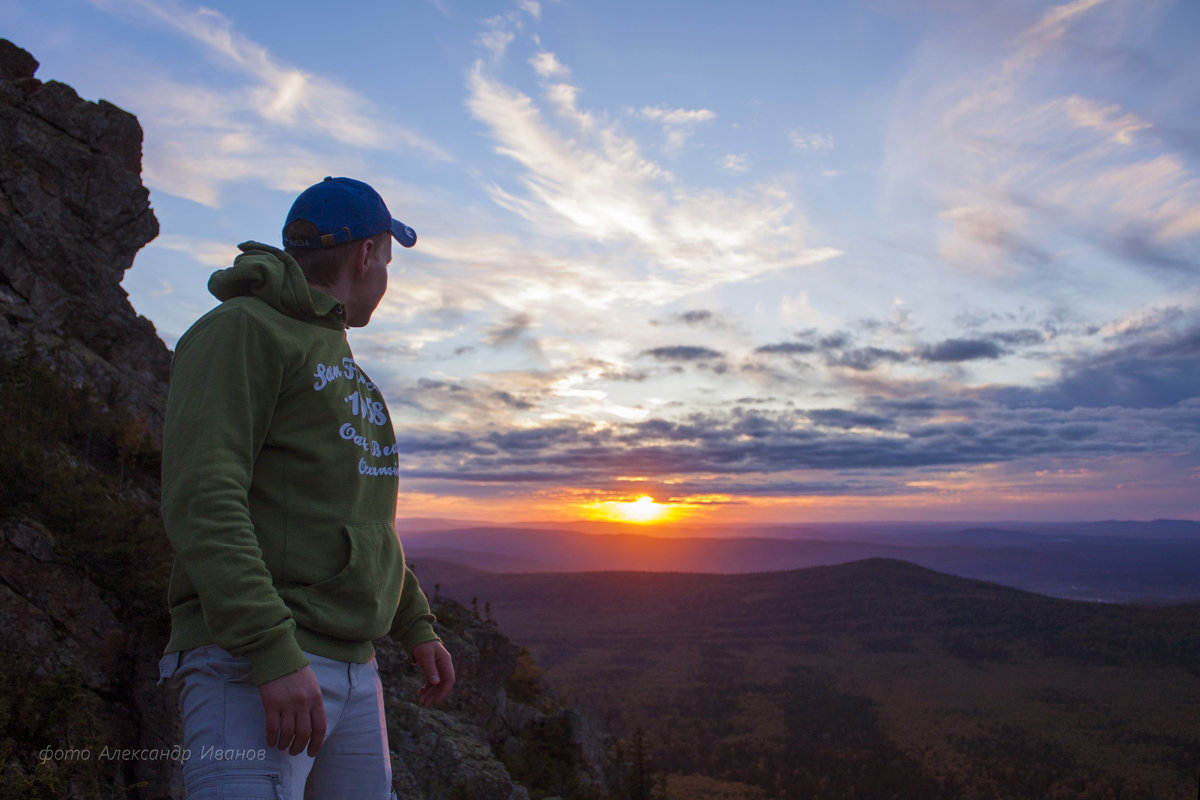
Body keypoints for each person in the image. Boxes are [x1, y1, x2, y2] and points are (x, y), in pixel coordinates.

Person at [158, 176, 454, 800]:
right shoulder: (242, 330)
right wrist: (271, 648)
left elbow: (364, 523)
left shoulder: (349, 373)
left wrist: (415, 625)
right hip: (252, 669)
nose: (386, 279)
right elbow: (203, 497)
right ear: (365, 255)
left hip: (353, 673)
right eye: (388, 260)